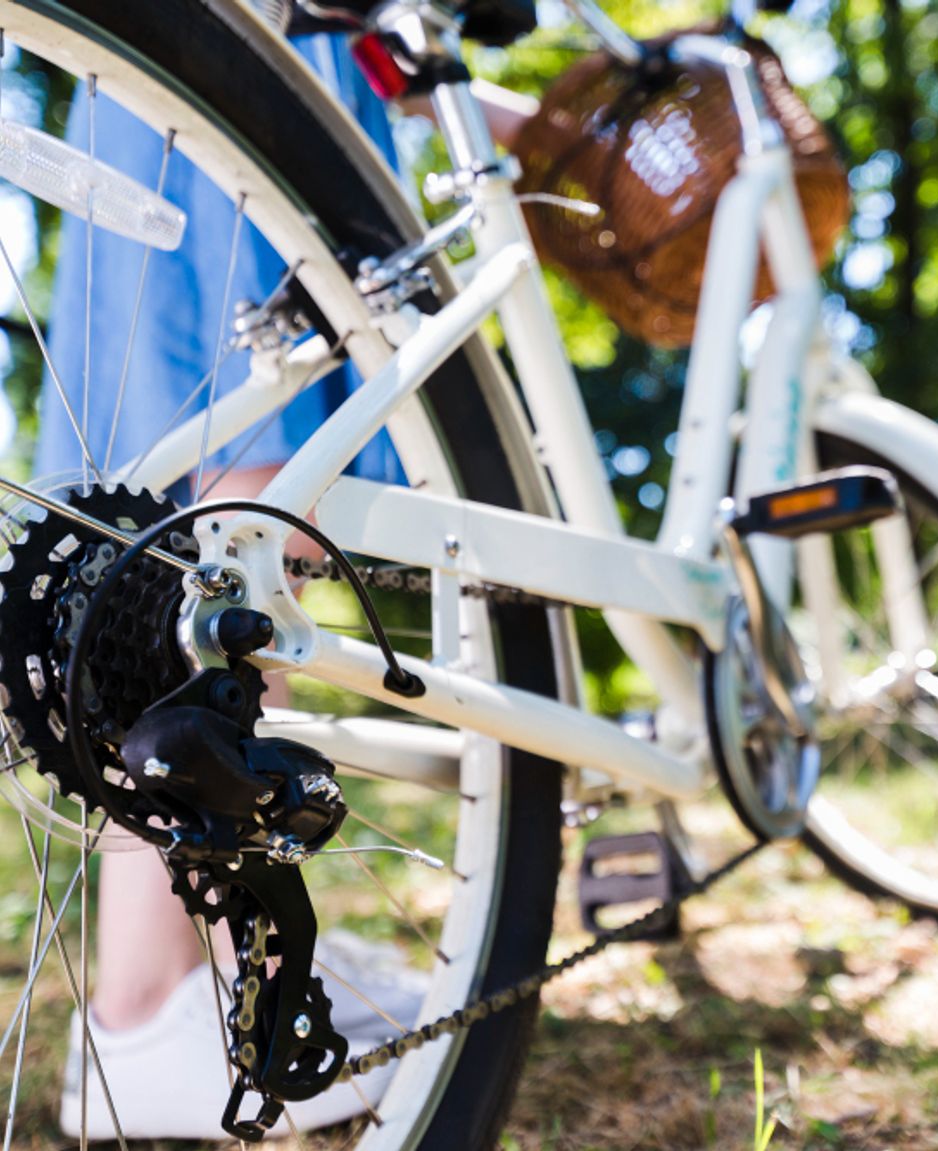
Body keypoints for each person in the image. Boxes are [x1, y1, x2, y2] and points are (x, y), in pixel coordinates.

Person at [40, 31, 532, 1140]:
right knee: (245, 519)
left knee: (186, 526)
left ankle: (174, 987)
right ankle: (157, 1003)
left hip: (180, 86)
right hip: (246, 95)